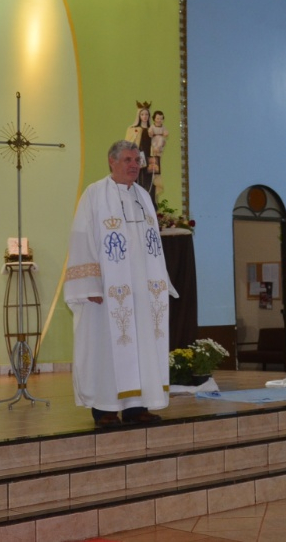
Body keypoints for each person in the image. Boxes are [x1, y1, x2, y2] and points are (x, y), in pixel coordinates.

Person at [65, 140, 178, 427]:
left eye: (136, 160)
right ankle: (105, 410)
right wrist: (89, 284)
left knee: (142, 346)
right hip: (108, 292)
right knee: (108, 348)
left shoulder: (143, 197)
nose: (133, 165)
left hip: (142, 293)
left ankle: (136, 407)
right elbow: (81, 237)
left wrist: (159, 283)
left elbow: (153, 247)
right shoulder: (94, 194)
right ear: (111, 162)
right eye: (127, 159)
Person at [124, 101, 154, 197]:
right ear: (139, 115)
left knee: (149, 180)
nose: (144, 116)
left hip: (150, 157)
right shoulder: (133, 129)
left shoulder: (152, 130)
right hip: (139, 157)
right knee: (137, 178)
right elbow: (128, 144)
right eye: (142, 114)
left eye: (146, 114)